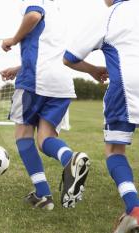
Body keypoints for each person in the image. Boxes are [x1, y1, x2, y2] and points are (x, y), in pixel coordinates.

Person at [0, 0, 90, 210]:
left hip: (35, 81)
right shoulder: (57, 12)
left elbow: (33, 16)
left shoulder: (34, 3)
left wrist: (13, 40)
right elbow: (52, 53)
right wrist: (19, 67)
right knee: (45, 139)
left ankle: (43, 193)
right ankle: (70, 158)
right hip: (61, 82)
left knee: (23, 135)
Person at [63, 0, 139, 231]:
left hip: (127, 87)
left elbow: (69, 57)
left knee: (115, 151)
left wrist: (93, 70)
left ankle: (134, 210)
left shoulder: (108, 16)